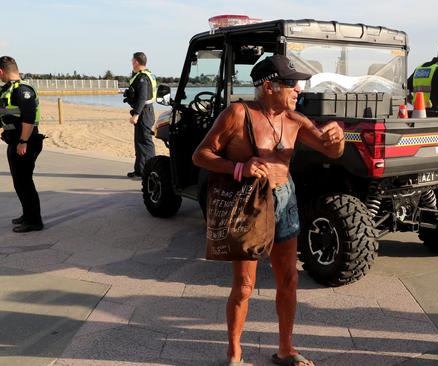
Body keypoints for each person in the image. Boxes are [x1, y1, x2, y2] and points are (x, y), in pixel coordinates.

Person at [192, 55, 344, 366]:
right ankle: (234, 353)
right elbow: (200, 155)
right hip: (249, 204)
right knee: (244, 286)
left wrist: (338, 138)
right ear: (268, 86)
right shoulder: (237, 113)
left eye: (297, 84)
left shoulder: (295, 120)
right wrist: (239, 168)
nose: (297, 89)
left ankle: (286, 349)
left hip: (285, 201)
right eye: (290, 83)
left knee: (288, 279)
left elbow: (332, 150)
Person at [0, 56, 44, 233]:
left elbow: (29, 118)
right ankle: (27, 215)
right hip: (15, 142)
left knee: (25, 182)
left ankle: (34, 221)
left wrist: (23, 142)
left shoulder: (22, 90)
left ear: (1, 71)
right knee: (19, 182)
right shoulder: (9, 89)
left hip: (26, 142)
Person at [123, 52, 156, 178]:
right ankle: (139, 170)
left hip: (144, 113)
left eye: (132, 60)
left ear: (136, 62)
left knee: (145, 143)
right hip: (145, 111)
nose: (131, 62)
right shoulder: (146, 75)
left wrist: (136, 114)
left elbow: (142, 98)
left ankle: (150, 171)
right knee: (139, 142)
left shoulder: (143, 77)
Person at [407, 41, 438, 115]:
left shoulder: (420, 68)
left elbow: (405, 90)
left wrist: (415, 102)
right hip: (436, 117)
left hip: (417, 114)